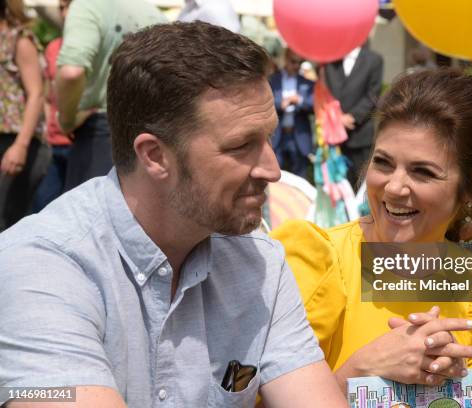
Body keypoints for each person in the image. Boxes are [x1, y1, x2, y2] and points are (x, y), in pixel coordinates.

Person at [0, 22, 347, 407]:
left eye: (268, 138)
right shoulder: (41, 265)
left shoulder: (258, 261)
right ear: (154, 156)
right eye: (241, 145)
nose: (273, 169)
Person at [272, 68, 472, 407]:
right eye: (384, 163)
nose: (395, 187)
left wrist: (458, 390)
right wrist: (361, 370)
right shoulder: (316, 266)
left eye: (423, 172)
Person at [56, 0, 165, 191]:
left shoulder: (87, 6)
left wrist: (66, 121)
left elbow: (71, 73)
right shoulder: (153, 12)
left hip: (100, 131)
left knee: (89, 215)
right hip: (152, 131)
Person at [0, 0, 47, 231]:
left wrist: (20, 145)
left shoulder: (18, 39)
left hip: (16, 141)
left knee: (7, 224)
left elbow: (36, 93)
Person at [31, 0, 73, 211]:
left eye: (69, 7)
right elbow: (47, 95)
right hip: (53, 142)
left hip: (79, 140)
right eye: (61, 8)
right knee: (43, 207)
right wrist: (48, 126)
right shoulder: (53, 47)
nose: (64, 13)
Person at [324, 42, 383, 189]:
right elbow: (325, 92)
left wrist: (352, 117)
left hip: (360, 133)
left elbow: (373, 94)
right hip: (335, 135)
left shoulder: (374, 59)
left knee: (361, 183)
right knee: (337, 184)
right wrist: (337, 117)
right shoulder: (330, 61)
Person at [269, 48, 314, 179]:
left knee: (300, 177)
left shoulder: (306, 82)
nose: (296, 66)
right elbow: (264, 103)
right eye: (294, 62)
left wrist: (299, 100)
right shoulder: (273, 80)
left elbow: (314, 105)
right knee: (274, 178)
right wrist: (280, 105)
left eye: (300, 63)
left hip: (298, 136)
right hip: (277, 136)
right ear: (286, 59)